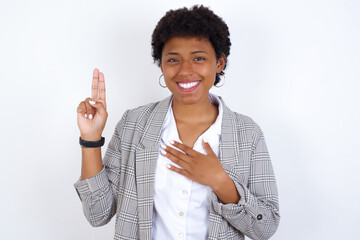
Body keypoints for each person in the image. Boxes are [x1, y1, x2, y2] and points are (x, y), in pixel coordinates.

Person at [74, 5, 280, 240]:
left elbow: (266, 227)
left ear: (219, 63)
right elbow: (97, 214)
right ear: (161, 64)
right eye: (173, 59)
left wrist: (220, 181)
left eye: (199, 58)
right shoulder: (134, 124)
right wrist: (90, 140)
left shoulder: (248, 134)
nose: (185, 70)